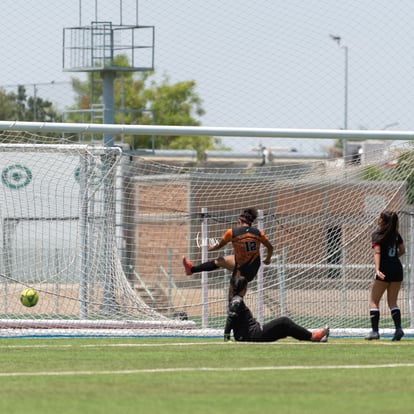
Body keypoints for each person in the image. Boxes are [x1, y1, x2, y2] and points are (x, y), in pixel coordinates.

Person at [182, 208, 274, 299]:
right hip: (253, 266)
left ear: (239, 221)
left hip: (241, 269)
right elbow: (270, 247)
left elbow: (219, 245)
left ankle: (191, 270)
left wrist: (211, 248)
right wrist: (268, 259)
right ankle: (191, 269)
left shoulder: (232, 232)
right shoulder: (258, 233)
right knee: (220, 261)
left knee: (233, 297)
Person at [223, 276, 329, 342]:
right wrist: (226, 337)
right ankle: (314, 336)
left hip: (251, 334)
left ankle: (314, 338)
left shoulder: (236, 299)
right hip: (252, 335)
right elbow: (230, 319)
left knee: (285, 330)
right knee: (283, 321)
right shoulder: (237, 301)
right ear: (244, 289)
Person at [366, 210, 405, 341]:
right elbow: (402, 250)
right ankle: (398, 329)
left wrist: (377, 269)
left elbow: (377, 252)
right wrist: (393, 259)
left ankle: (375, 332)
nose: (378, 217)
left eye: (380, 216)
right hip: (397, 269)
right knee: (393, 302)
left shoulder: (377, 234)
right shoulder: (396, 235)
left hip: (384, 270)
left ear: (383, 220)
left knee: (374, 301)